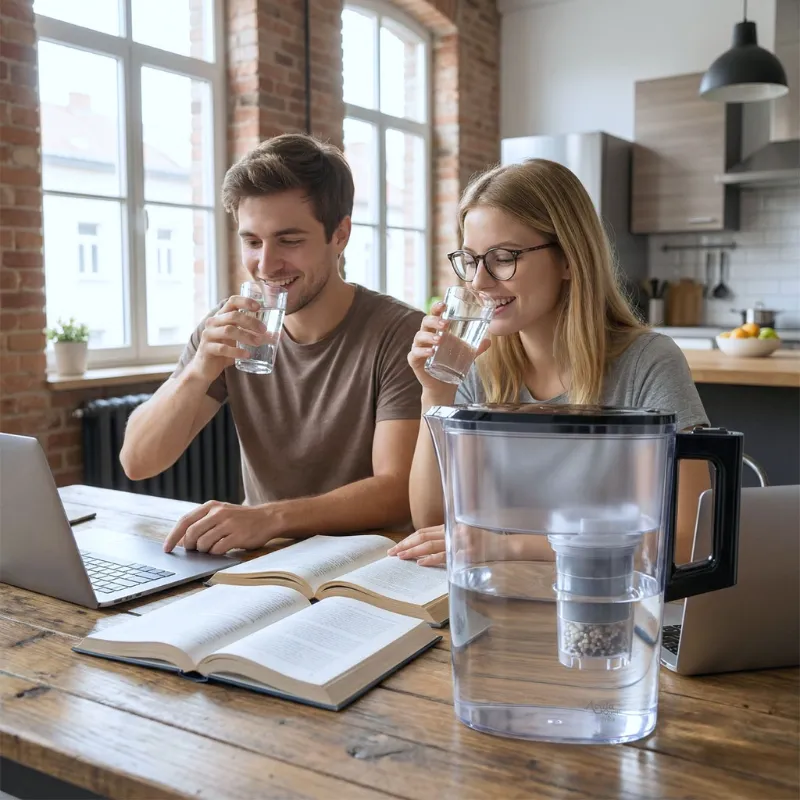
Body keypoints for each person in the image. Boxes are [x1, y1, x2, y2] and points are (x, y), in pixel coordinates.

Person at [388, 158, 711, 567]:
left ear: (569, 259)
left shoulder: (648, 362)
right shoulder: (476, 366)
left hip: (609, 609)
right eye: (471, 260)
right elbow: (435, 527)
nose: (479, 282)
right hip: (501, 600)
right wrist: (435, 393)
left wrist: (511, 546)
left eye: (504, 257)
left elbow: (689, 542)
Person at [121, 134, 424, 554]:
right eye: (252, 241)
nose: (266, 264)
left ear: (340, 234)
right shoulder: (227, 327)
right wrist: (199, 369)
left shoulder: (400, 333)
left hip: (370, 560)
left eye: (289, 240)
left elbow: (396, 492)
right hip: (264, 557)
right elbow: (138, 462)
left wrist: (269, 517)